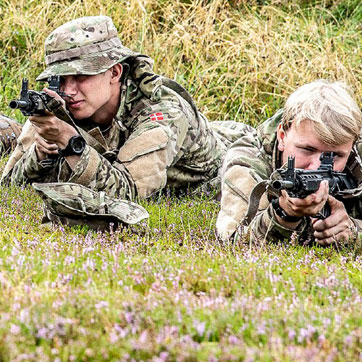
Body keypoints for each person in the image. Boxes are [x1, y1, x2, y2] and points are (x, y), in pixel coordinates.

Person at [1, 15, 244, 227]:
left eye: (81, 76)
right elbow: (10, 184)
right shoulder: (58, 104)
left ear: (115, 73)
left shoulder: (162, 112)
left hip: (221, 155)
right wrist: (41, 154)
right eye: (61, 80)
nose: (70, 90)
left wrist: (69, 142)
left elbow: (127, 193)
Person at [216, 80, 362, 246]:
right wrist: (284, 215)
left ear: (351, 147)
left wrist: (353, 230)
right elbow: (234, 240)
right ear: (282, 136)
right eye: (307, 149)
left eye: (334, 156)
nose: (316, 167)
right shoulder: (248, 160)